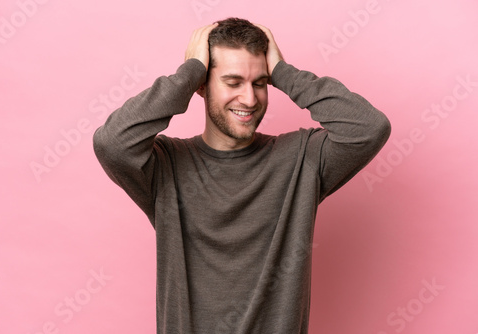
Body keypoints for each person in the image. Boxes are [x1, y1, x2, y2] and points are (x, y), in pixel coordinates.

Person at [93, 17, 391, 334]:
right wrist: (189, 72)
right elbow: (112, 143)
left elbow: (369, 129)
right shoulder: (166, 167)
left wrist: (284, 72)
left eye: (259, 83)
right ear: (202, 87)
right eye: (233, 83)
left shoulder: (301, 159)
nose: (249, 99)